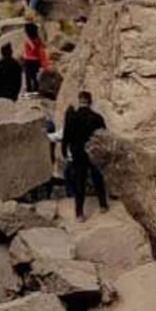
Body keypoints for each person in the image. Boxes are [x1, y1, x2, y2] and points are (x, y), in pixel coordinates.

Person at [62, 91, 110, 220]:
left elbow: (66, 136)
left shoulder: (72, 117)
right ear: (90, 101)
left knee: (79, 181)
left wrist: (64, 151)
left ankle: (79, 213)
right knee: (97, 178)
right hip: (94, 152)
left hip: (78, 153)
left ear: (79, 100)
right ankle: (103, 205)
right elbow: (104, 137)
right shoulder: (97, 117)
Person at [22, 22, 50, 96]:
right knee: (33, 76)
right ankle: (34, 89)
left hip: (30, 60)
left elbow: (33, 48)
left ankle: (30, 90)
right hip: (35, 59)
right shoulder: (38, 39)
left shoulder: (31, 40)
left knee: (29, 76)